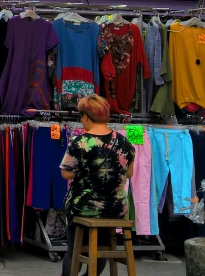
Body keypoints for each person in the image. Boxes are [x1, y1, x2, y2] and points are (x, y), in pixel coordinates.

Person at [59, 94, 135, 276]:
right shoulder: (125, 143)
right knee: (101, 244)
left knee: (73, 250)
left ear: (85, 117)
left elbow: (66, 173)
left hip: (84, 206)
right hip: (116, 208)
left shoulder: (79, 142)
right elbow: (129, 173)